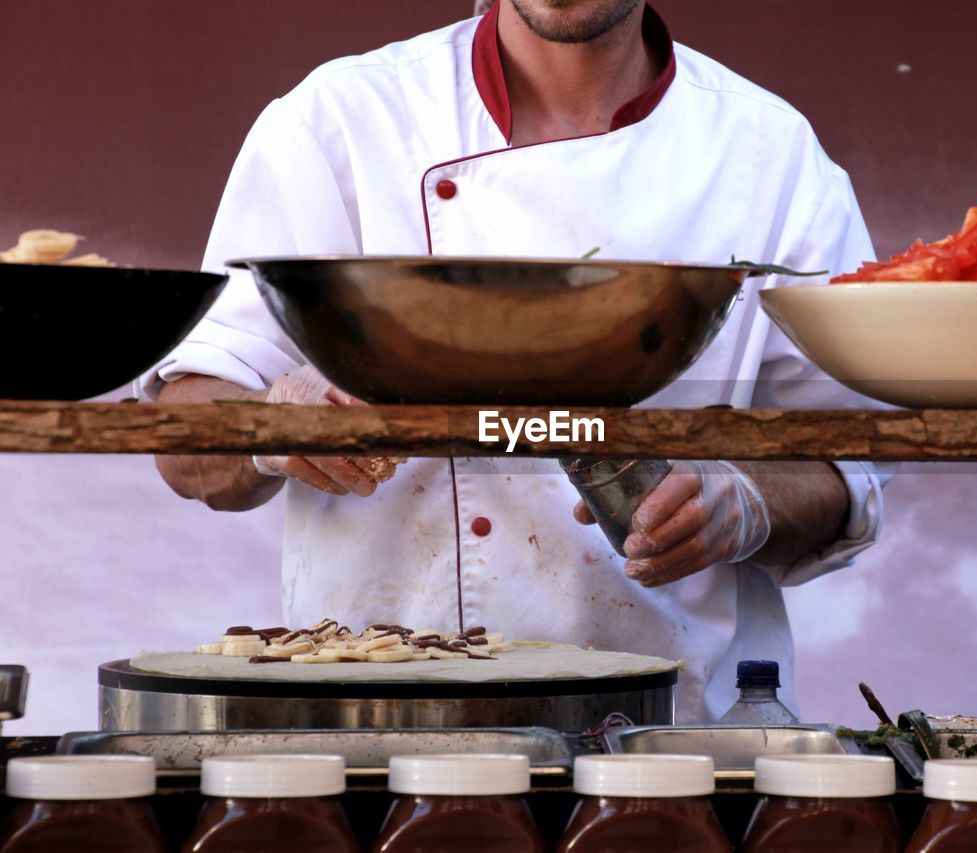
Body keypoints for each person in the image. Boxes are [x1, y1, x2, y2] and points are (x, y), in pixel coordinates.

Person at [148, 0, 890, 721]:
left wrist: (748, 503)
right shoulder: (340, 121)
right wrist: (272, 428)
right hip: (385, 713)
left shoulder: (767, 154)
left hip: (675, 728)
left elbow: (851, 455)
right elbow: (186, 437)